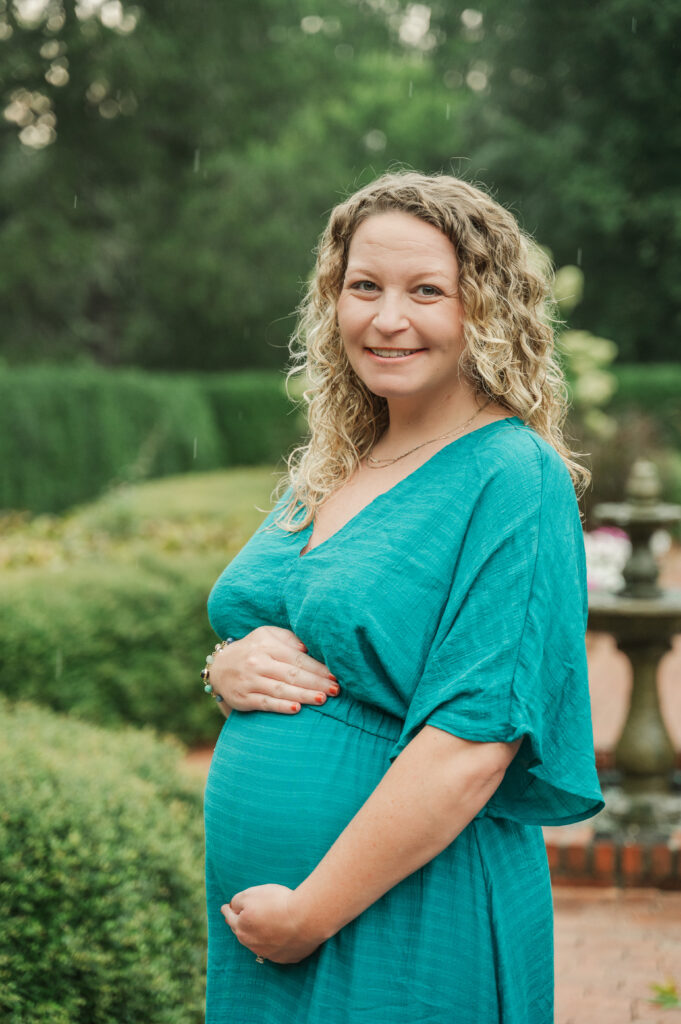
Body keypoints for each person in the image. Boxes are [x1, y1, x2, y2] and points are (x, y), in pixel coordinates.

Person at [202, 170, 605, 1024]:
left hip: (408, 909)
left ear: (485, 309)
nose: (387, 319)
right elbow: (292, 632)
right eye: (363, 287)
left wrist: (309, 913)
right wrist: (227, 668)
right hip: (273, 928)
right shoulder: (336, 459)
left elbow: (472, 743)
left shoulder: (511, 473)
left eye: (427, 291)